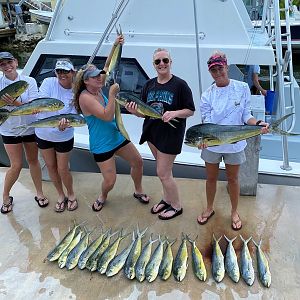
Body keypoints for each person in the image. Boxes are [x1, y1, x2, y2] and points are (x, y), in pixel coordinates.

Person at [73, 35, 150, 212]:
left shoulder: (98, 87)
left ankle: (138, 190)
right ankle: (103, 196)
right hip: (102, 145)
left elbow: (108, 66)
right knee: (110, 181)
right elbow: (107, 116)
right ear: (86, 81)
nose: (100, 77)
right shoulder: (85, 98)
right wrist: (113, 94)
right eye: (95, 77)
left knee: (137, 161)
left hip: (116, 136)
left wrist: (115, 45)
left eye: (99, 75)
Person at [197, 51, 269, 230]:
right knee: (210, 178)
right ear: (210, 72)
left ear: (227, 67)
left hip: (235, 143)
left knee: (233, 179)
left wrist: (257, 124)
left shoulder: (242, 87)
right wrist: (204, 140)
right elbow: (207, 123)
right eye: (213, 70)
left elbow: (246, 116)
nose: (218, 72)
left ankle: (234, 211)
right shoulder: (207, 95)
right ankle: (209, 208)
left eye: (220, 68)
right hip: (212, 144)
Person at [126, 48, 195, 220]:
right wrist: (133, 111)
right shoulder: (149, 85)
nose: (162, 64)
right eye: (158, 62)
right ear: (154, 65)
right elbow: (143, 112)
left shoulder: (180, 85)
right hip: (152, 133)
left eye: (165, 60)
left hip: (170, 135)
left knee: (163, 173)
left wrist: (174, 113)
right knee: (165, 172)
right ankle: (167, 199)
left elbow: (190, 110)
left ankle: (176, 206)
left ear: (171, 62)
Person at [0, 51, 48, 214]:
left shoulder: (29, 81)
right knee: (16, 165)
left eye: (9, 62)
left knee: (33, 161)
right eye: (2, 64)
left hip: (29, 128)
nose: (7, 66)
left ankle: (39, 193)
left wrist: (15, 103)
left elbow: (34, 107)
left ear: (15, 62)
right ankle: (6, 197)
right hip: (9, 129)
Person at [35, 58, 78, 212]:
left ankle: (71, 194)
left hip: (63, 136)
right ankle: (61, 195)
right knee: (51, 167)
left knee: (63, 169)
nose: (62, 74)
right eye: (59, 71)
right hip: (43, 134)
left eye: (65, 71)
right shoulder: (48, 82)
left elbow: (74, 117)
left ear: (72, 72)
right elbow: (43, 102)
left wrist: (64, 124)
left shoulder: (76, 91)